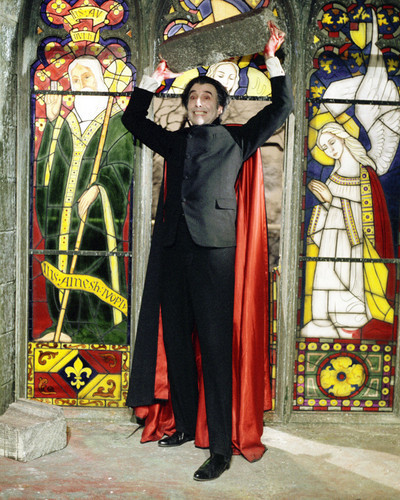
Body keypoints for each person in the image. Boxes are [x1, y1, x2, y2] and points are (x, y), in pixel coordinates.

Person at [122, 22, 292, 481]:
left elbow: (282, 106)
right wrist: (151, 81)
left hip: (215, 253)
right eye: (193, 97)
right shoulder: (173, 139)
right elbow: (132, 120)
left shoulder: (238, 139)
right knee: (177, 343)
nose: (198, 102)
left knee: (215, 351)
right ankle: (181, 424)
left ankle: (219, 449)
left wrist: (271, 60)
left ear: (219, 108)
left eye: (207, 98)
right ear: (186, 105)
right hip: (172, 251)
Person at [36, 55, 134, 344]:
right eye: (75, 80)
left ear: (100, 80)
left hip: (97, 221)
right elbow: (47, 171)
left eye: (87, 77)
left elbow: (122, 167)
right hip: (62, 218)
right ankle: (63, 325)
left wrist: (100, 188)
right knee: (61, 267)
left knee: (91, 269)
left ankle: (97, 331)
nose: (81, 84)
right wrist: (52, 123)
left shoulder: (117, 122)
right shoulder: (67, 123)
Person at [302, 122, 395, 340]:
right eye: (324, 148)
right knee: (326, 275)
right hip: (330, 239)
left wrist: (331, 199)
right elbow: (330, 210)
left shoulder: (365, 174)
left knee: (349, 280)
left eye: (332, 143)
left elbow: (365, 216)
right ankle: (322, 319)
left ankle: (351, 316)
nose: (330, 150)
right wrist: (324, 204)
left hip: (353, 244)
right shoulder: (333, 175)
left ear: (343, 137)